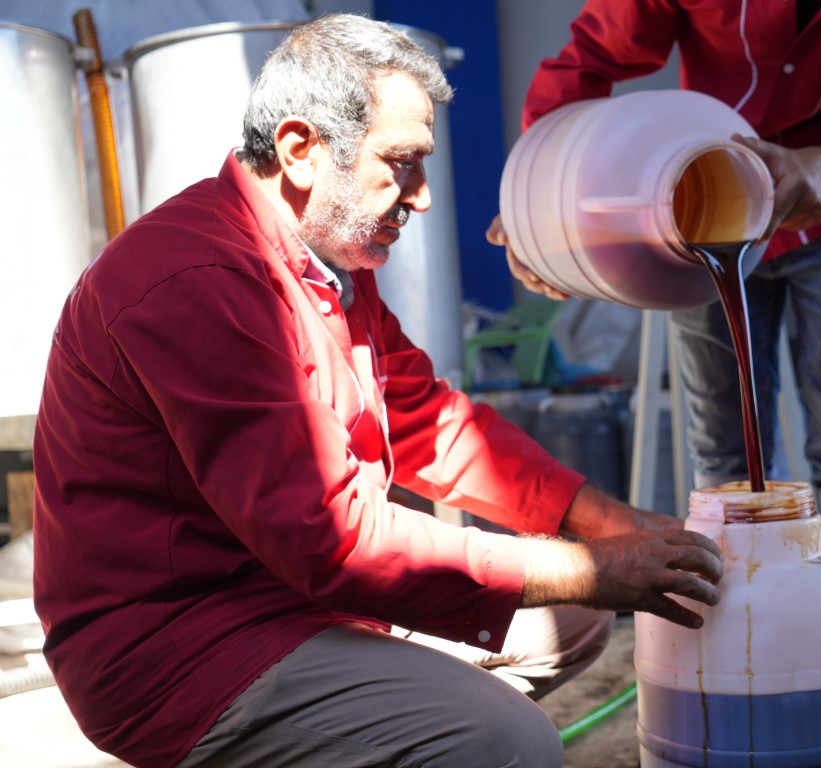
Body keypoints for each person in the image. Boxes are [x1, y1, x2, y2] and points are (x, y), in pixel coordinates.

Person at [32, 14, 724, 768]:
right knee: (509, 737)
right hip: (182, 644)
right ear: (300, 150)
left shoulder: (327, 261)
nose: (420, 198)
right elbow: (334, 539)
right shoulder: (197, 283)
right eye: (400, 163)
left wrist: (614, 525)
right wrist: (594, 568)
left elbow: (430, 422)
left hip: (290, 597)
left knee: (573, 619)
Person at [488, 0, 821, 760]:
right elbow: (591, 57)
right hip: (696, 204)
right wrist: (538, 194)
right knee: (724, 460)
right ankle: (733, 694)